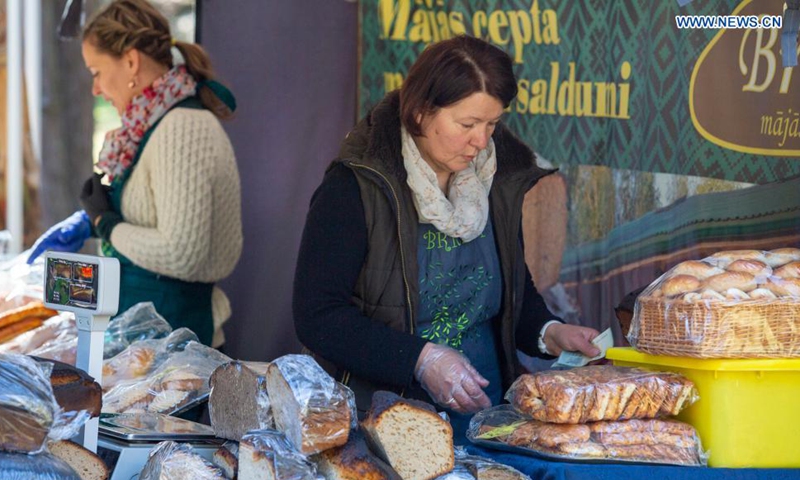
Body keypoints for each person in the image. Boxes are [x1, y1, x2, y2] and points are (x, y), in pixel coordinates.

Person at [293, 35, 600, 440]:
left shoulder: (494, 179)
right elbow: (317, 315)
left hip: (486, 421)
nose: (482, 141)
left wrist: (550, 332)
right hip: (384, 424)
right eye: (468, 124)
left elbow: (511, 288)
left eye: (492, 124)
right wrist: (421, 359)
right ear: (421, 113)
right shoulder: (355, 188)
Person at [27, 0, 242, 348]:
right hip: (146, 341)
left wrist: (105, 223)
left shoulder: (182, 129)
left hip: (177, 347)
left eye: (96, 72)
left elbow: (181, 252)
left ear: (130, 61)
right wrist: (97, 216)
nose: (95, 89)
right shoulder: (155, 127)